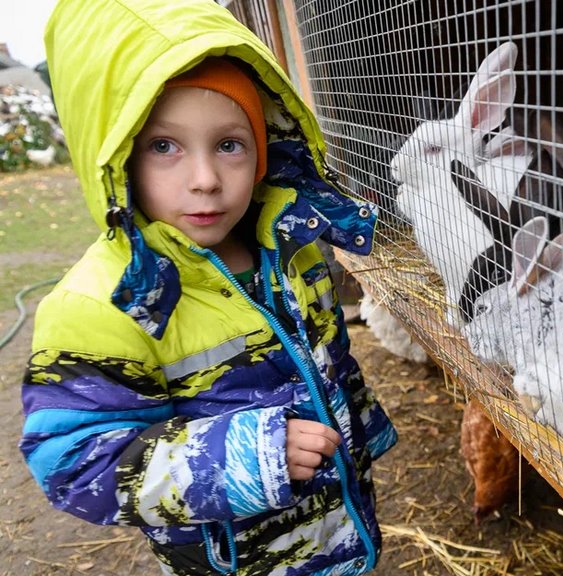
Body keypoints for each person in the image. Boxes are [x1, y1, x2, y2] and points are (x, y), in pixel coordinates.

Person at [19, 1, 397, 574]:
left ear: (264, 148)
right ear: (118, 158)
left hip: (340, 533)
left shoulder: (290, 249)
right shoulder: (102, 306)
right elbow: (72, 462)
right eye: (164, 146)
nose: (204, 180)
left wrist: (360, 430)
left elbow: (330, 361)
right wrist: (251, 457)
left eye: (228, 144)